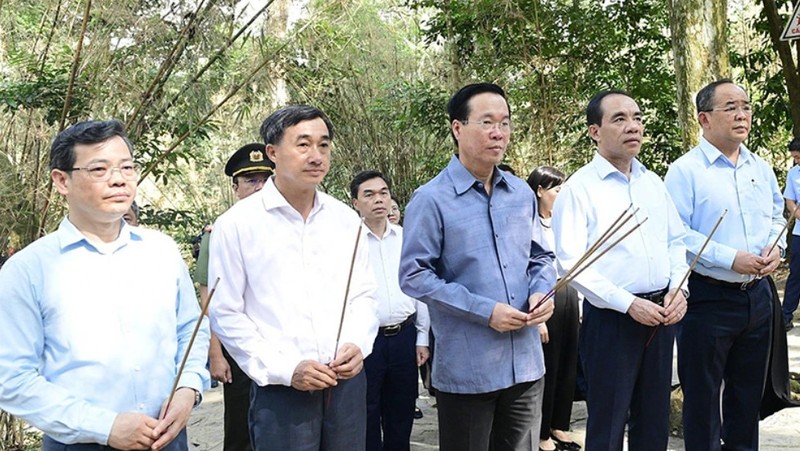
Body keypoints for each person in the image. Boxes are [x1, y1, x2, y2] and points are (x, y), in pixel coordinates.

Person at [0, 120, 210, 451]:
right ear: (61, 180)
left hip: (167, 437)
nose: (118, 179)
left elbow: (190, 330)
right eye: (99, 169)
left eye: (127, 167)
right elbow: (11, 379)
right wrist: (105, 426)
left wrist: (188, 389)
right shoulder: (28, 271)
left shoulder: (161, 251)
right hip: (80, 443)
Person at [208, 105, 378, 451]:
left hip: (345, 383)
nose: (316, 156)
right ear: (273, 152)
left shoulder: (345, 221)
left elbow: (363, 294)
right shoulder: (237, 225)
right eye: (303, 145)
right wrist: (286, 369)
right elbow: (226, 312)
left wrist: (358, 344)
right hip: (281, 392)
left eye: (324, 145)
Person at [399, 83, 556, 451]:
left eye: (504, 122)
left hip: (527, 365)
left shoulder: (520, 194)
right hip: (469, 369)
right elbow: (414, 275)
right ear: (458, 128)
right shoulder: (431, 199)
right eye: (486, 122)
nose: (498, 132)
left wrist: (541, 291)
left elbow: (541, 257)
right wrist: (485, 311)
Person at [551, 90, 689, 451]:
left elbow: (677, 241)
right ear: (594, 131)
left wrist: (679, 289)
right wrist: (628, 303)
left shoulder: (652, 183)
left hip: (661, 314)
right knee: (609, 423)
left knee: (653, 421)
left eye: (638, 117)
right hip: (611, 320)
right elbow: (571, 263)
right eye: (620, 119)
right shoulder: (579, 189)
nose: (633, 127)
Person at [664, 79, 786, 451]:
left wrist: (775, 247)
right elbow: (677, 233)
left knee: (747, 399)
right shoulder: (685, 172)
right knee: (702, 401)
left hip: (757, 298)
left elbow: (776, 215)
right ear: (704, 118)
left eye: (746, 106)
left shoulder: (759, 167)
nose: (742, 114)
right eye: (731, 107)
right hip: (707, 299)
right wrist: (731, 258)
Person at [195, 143, 275, 451]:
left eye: (265, 179)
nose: (259, 187)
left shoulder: (287, 224)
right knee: (242, 425)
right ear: (235, 187)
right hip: (239, 344)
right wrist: (216, 353)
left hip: (280, 342)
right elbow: (209, 299)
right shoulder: (219, 231)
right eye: (250, 180)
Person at [350, 170, 430, 451]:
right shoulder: (348, 242)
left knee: (402, 409)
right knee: (367, 410)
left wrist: (422, 337)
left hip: (404, 337)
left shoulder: (406, 237)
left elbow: (419, 289)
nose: (378, 200)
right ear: (355, 203)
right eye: (368, 194)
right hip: (366, 342)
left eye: (383, 193)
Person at [526, 166, 581, 451]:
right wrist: (538, 319)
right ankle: (541, 432)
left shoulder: (564, 221)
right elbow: (529, 270)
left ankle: (560, 424)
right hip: (544, 296)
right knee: (548, 365)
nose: (562, 195)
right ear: (540, 191)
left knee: (568, 363)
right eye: (557, 190)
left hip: (569, 291)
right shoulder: (528, 223)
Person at [782, 137, 800, 332]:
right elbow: (790, 201)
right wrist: (797, 213)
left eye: (798, 157)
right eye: (794, 157)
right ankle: (785, 315)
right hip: (799, 233)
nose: (796, 161)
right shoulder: (793, 174)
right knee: (796, 274)